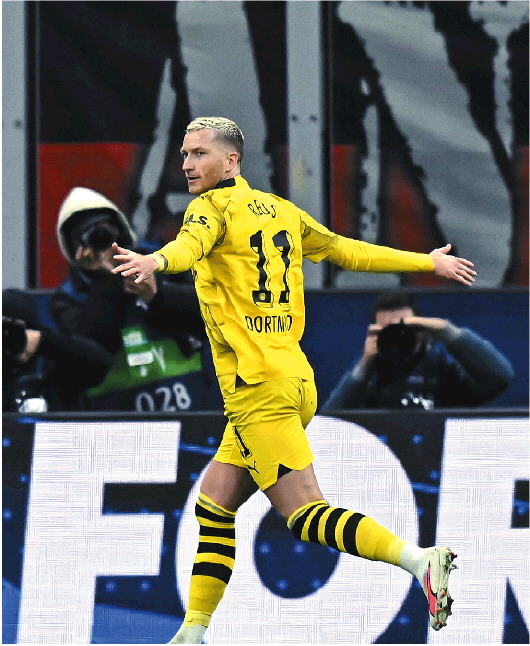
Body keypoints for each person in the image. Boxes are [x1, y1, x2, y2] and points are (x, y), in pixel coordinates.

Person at [111, 117, 477, 642]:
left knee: (305, 514)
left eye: (199, 153)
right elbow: (346, 250)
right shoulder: (280, 211)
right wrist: (426, 262)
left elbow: (189, 247)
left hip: (259, 390)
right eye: (185, 154)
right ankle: (192, 633)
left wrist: (153, 260)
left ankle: (418, 560)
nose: (187, 164)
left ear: (231, 161)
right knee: (215, 503)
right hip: (293, 379)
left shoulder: (209, 209)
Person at [51, 187, 221, 412]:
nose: (101, 242)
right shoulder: (69, 298)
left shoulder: (161, 262)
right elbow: (88, 357)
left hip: (189, 405)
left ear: (118, 231)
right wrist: (106, 280)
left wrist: (156, 295)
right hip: (116, 417)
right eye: (90, 238)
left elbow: (211, 314)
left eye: (103, 232)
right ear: (76, 250)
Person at [320, 290, 514, 411]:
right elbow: (331, 421)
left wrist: (445, 330)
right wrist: (364, 365)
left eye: (405, 328)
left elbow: (500, 378)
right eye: (388, 331)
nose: (398, 336)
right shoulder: (369, 374)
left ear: (420, 329)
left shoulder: (441, 368)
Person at [3, 288, 112, 412]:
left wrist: (44, 341)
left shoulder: (55, 368)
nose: (9, 337)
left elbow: (100, 363)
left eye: (16, 331)